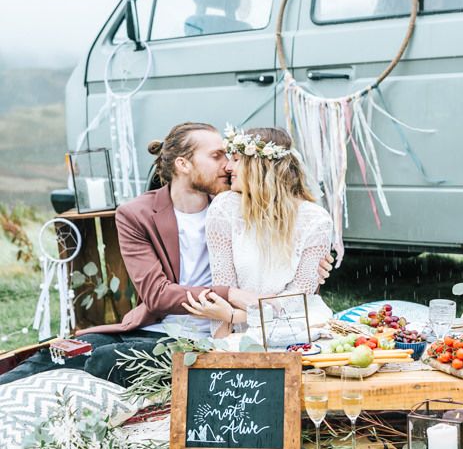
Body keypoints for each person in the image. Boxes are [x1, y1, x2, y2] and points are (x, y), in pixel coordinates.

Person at [0, 122, 333, 385]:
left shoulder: (230, 205)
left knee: (103, 359)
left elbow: (279, 234)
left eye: (231, 156)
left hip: (212, 329)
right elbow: (158, 294)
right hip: (162, 323)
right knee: (63, 351)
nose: (229, 165)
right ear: (184, 164)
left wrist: (316, 265)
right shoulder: (138, 214)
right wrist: (231, 294)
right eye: (217, 156)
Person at [180, 127, 333, 338]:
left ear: (259, 166)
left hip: (297, 326)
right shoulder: (224, 208)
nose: (227, 166)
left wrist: (237, 315)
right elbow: (223, 286)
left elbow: (297, 299)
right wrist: (220, 349)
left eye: (235, 159)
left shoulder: (316, 220)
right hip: (241, 329)